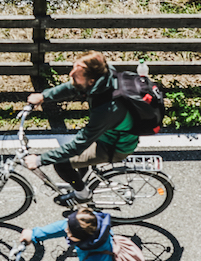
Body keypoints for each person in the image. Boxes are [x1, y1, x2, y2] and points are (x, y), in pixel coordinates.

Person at [24, 50, 139, 202]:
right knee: (74, 156)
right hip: (108, 133)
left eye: (76, 73)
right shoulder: (102, 77)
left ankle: (83, 195)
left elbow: (79, 144)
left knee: (62, 163)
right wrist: (44, 96)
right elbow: (74, 87)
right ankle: (81, 181)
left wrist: (40, 160)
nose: (71, 74)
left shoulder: (107, 107)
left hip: (114, 146)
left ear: (91, 80)